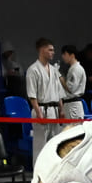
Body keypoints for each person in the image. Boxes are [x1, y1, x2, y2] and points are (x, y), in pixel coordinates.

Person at [26, 37, 66, 165]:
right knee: (40, 146)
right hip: (41, 109)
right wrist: (38, 113)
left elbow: (59, 92)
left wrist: (61, 109)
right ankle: (38, 174)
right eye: (50, 50)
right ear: (42, 50)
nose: (53, 52)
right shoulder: (33, 69)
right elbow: (32, 95)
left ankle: (52, 172)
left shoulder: (54, 70)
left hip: (54, 110)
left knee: (55, 145)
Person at [59, 44, 86, 122]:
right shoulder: (72, 68)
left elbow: (70, 88)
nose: (63, 57)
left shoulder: (76, 69)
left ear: (72, 55)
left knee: (73, 128)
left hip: (73, 106)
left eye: (65, 54)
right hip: (70, 105)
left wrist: (60, 77)